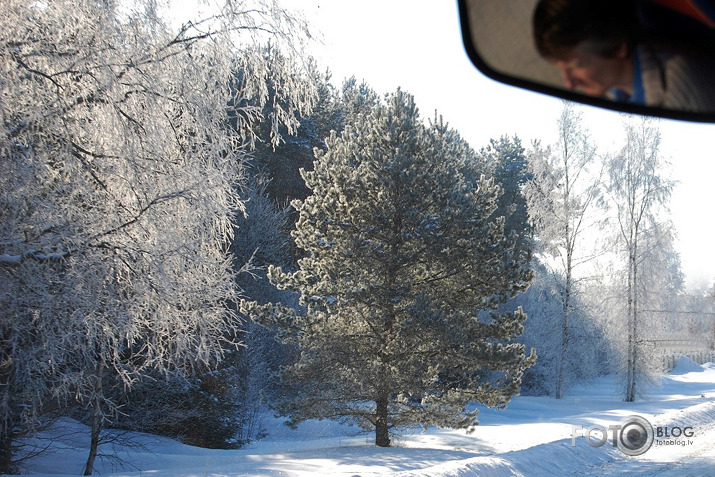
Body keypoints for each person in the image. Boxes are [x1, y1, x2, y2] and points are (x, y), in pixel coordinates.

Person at [532, 0, 715, 113]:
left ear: (618, 46)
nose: (569, 84)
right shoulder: (615, 97)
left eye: (573, 67)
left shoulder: (683, 97)